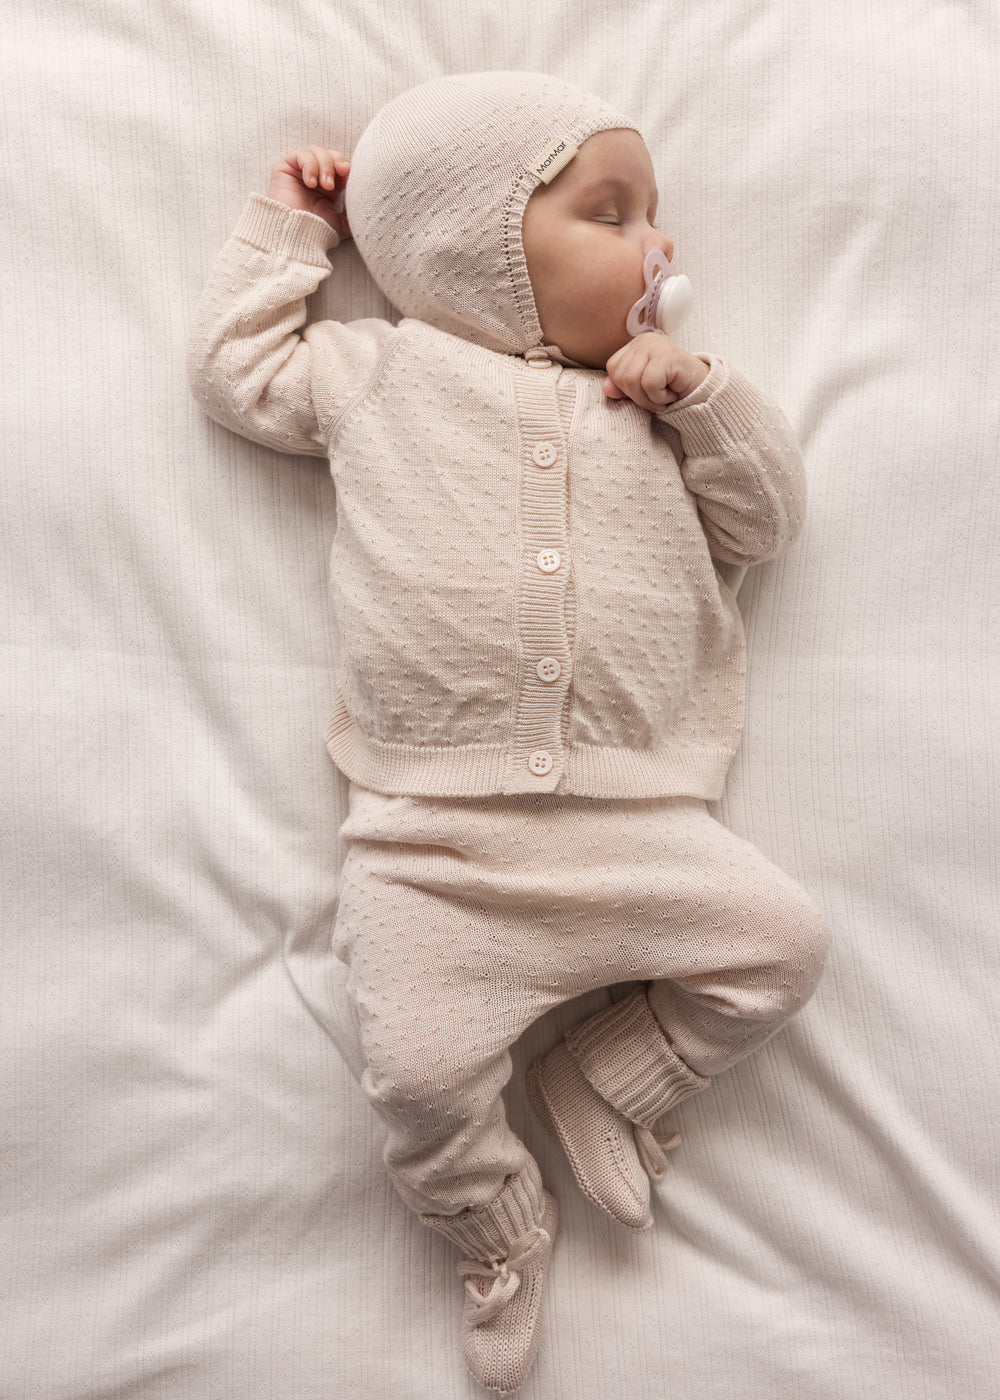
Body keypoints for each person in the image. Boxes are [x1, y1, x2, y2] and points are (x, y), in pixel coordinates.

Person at [186, 70, 831, 1395]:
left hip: (638, 824)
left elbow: (765, 524)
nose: (661, 247)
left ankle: (614, 1073)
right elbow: (234, 372)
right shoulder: (378, 373)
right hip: (434, 845)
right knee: (417, 1084)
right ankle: (496, 1220)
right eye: (612, 212)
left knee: (782, 948)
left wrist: (703, 399)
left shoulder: (660, 407)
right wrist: (292, 232)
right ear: (470, 244)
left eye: (656, 217)